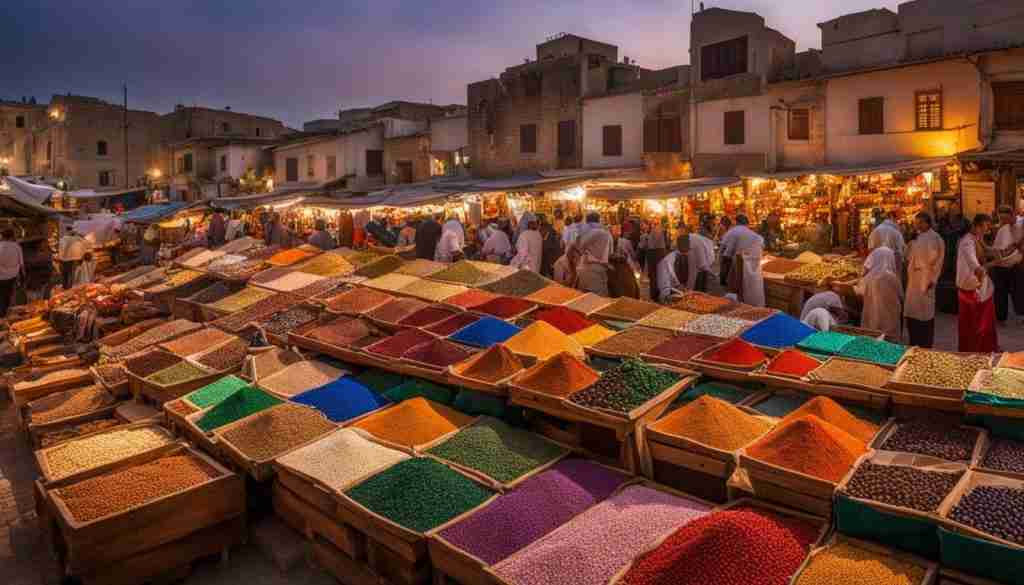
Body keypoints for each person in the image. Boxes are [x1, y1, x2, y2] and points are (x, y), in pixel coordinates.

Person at [957, 214, 999, 352]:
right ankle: (976, 350)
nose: (987, 230)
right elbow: (975, 266)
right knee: (976, 324)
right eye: (985, 227)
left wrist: (1001, 252)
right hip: (970, 288)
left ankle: (986, 347)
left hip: (978, 286)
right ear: (976, 226)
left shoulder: (977, 237)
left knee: (984, 322)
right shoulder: (967, 242)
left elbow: (986, 250)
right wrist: (995, 263)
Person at [904, 212, 944, 347]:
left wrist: (933, 280)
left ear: (927, 223)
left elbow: (938, 262)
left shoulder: (936, 238)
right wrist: (911, 241)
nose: (918, 225)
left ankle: (925, 343)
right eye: (916, 223)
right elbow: (909, 256)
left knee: (925, 313)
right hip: (914, 279)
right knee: (912, 311)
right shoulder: (917, 237)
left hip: (926, 278)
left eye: (920, 223)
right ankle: (913, 341)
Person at [855, 246, 904, 341]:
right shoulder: (892, 277)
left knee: (873, 341)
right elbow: (901, 295)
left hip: (872, 320)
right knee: (889, 342)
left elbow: (859, 292)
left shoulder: (868, 278)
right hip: (890, 321)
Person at [724, 215, 766, 306]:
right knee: (748, 285)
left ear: (736, 222)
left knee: (738, 286)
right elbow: (762, 246)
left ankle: (739, 304)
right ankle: (747, 303)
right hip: (753, 265)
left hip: (738, 262)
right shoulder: (757, 236)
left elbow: (727, 252)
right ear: (747, 223)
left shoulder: (733, 231)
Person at [989, 205, 1020, 323]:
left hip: (1016, 265)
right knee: (1000, 293)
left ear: (1013, 215)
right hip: (1001, 266)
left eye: (1005, 218)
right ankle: (1001, 317)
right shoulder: (1002, 229)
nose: (1003, 221)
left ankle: (1021, 315)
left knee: (1019, 291)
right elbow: (996, 248)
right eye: (1001, 219)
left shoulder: (1021, 225)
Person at [577, 223, 613, 296]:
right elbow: (610, 253)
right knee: (600, 298)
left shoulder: (584, 232)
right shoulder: (605, 235)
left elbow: (579, 246)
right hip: (596, 272)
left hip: (583, 270)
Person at [608, 225, 640, 298]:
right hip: (616, 267)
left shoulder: (625, 242)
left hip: (623, 265)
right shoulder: (609, 242)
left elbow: (632, 255)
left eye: (618, 230)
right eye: (615, 230)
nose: (617, 232)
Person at [656, 235, 690, 303]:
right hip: (670, 295)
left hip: (684, 294)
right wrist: (678, 288)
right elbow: (665, 288)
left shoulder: (687, 257)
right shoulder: (666, 261)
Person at [0, 229, 25, 317]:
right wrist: (23, 277)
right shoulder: (17, 247)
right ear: (12, 236)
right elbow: (21, 264)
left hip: (1, 276)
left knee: (2, 296)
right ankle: (4, 314)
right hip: (12, 276)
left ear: (2, 236)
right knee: (8, 296)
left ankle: (2, 314)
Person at [644, 219, 669, 301]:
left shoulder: (654, 231)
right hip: (660, 253)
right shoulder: (659, 230)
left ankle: (655, 295)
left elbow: (650, 245)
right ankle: (659, 294)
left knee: (654, 275)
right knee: (659, 274)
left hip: (655, 253)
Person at [58, 225, 86, 291]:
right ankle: (69, 287)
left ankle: (65, 287)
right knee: (70, 273)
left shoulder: (63, 238)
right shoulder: (76, 238)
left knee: (65, 273)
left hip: (64, 258)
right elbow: (84, 241)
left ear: (66, 230)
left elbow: (61, 248)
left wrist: (60, 257)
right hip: (72, 258)